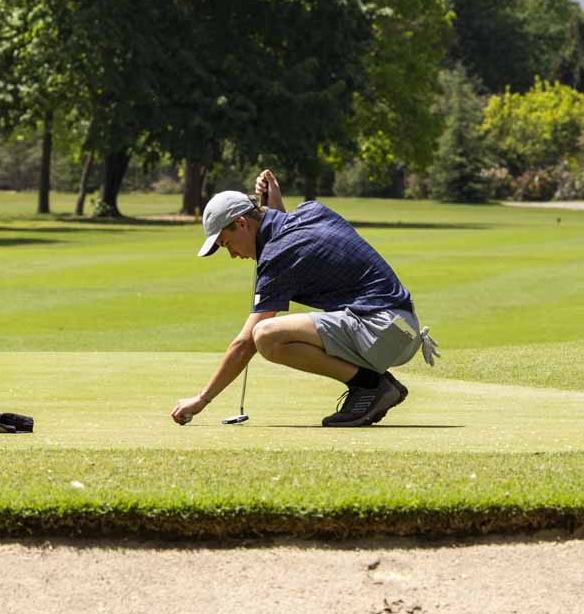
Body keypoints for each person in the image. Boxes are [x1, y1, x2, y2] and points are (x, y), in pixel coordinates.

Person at [170, 169, 438, 429]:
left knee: (265, 336)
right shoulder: (311, 211)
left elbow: (244, 344)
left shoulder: (278, 254)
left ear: (241, 223)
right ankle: (374, 385)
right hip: (400, 327)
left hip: (382, 331)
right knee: (265, 334)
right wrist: (274, 202)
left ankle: (371, 386)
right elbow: (291, 236)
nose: (233, 254)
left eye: (227, 243)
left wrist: (202, 399)